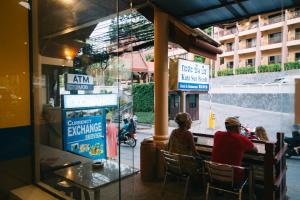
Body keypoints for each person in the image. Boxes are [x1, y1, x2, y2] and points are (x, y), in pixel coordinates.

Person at [212, 117, 257, 182]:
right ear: (236, 127)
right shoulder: (241, 139)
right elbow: (255, 150)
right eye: (240, 126)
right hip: (233, 179)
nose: (240, 128)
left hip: (214, 174)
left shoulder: (217, 134)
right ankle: (251, 191)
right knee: (250, 168)